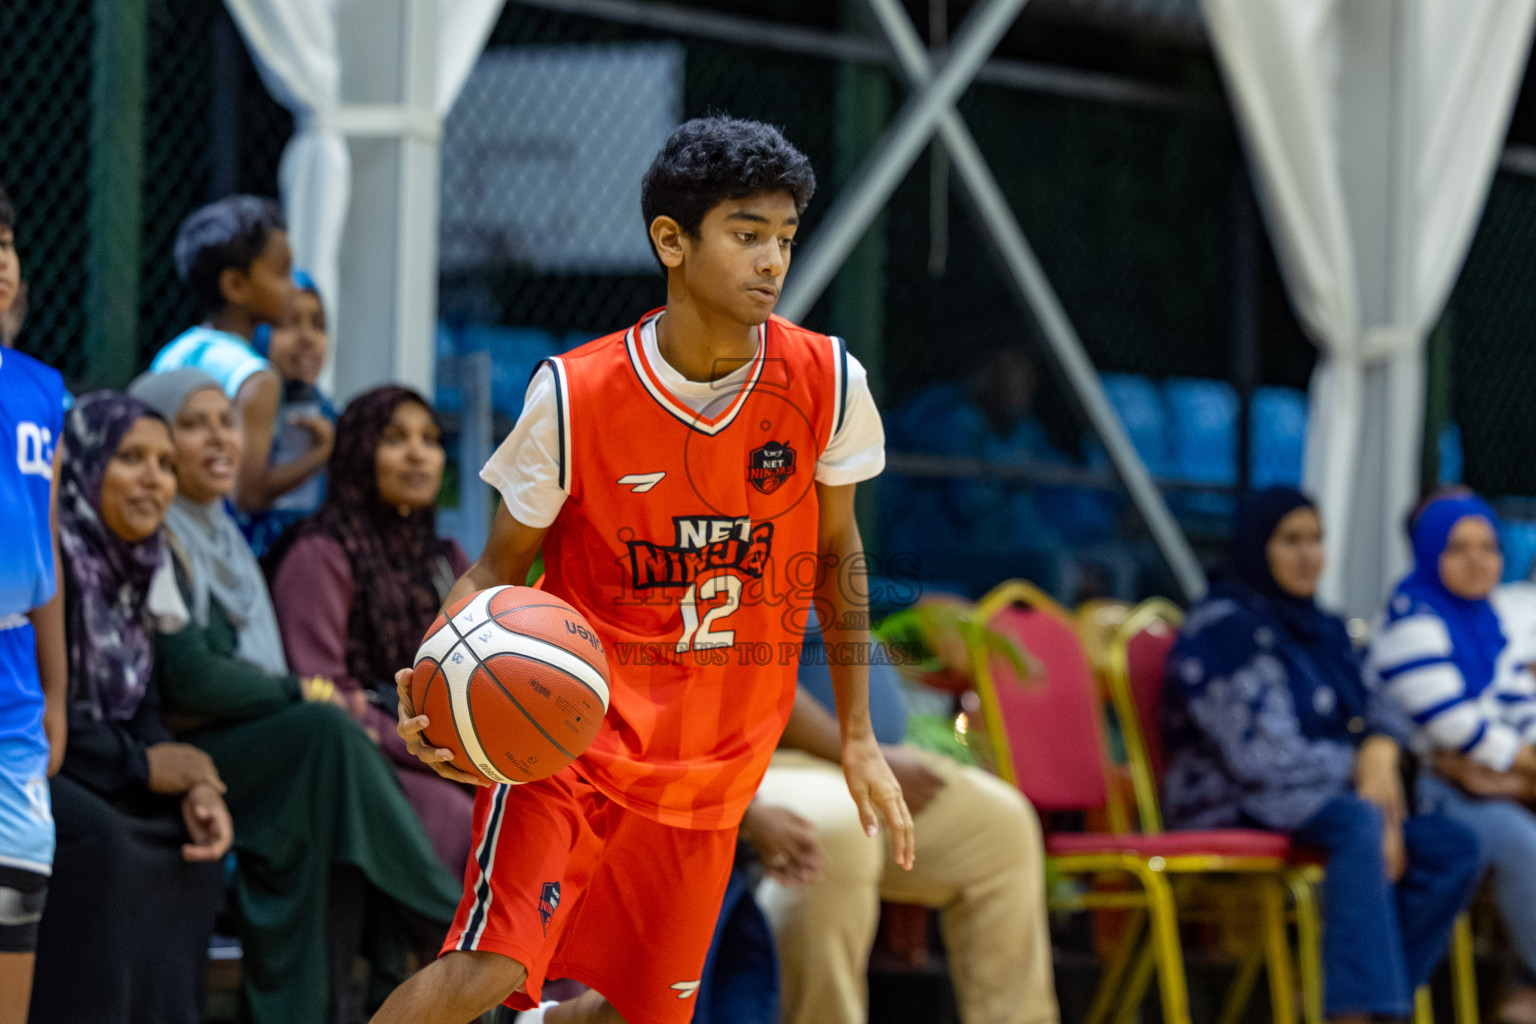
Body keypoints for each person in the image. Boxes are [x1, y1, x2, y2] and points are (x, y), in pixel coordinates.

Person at [369, 115, 913, 1024]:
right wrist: (431, 684)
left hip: (711, 767)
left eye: (784, 238)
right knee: (488, 969)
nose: (773, 261)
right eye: (746, 235)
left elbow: (836, 554)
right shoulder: (575, 396)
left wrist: (858, 733)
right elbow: (498, 569)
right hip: (569, 737)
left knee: (639, 1012)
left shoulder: (826, 381)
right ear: (672, 240)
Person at [126, 369, 460, 1024]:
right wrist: (301, 693)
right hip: (204, 749)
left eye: (227, 420)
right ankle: (451, 926)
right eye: (194, 425)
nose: (221, 437)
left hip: (290, 749)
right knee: (329, 738)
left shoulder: (225, 538)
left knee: (330, 825)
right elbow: (194, 677)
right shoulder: (168, 535)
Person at [1162, 487, 1478, 1022]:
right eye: (1291, 541)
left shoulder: (1323, 628)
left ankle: (1365, 997)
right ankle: (1359, 1012)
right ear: (1257, 547)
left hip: (1323, 803)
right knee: (1360, 824)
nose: (1309, 555)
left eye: (1317, 539)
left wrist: (1379, 748)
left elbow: (1381, 702)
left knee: (1451, 846)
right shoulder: (1225, 630)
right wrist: (1365, 776)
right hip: (1230, 799)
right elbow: (1265, 761)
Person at [29, 392, 232, 1024]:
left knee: (189, 842)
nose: (155, 479)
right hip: (38, 760)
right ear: (84, 467)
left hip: (101, 759)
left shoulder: (136, 564)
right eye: (132, 458)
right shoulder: (47, 557)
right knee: (103, 841)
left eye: (166, 464)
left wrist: (196, 782)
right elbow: (35, 707)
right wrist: (144, 767)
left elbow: (137, 699)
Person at [745, 624, 1059, 1024]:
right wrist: (858, 750)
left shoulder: (830, 565)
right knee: (840, 826)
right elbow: (748, 678)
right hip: (764, 759)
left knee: (1002, 824)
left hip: (863, 757)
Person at [268, 385, 475, 877]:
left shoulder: (446, 559)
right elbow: (326, 692)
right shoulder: (319, 553)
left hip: (453, 755)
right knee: (458, 820)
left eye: (429, 439)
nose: (417, 454)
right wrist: (432, 753)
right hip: (369, 756)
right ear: (360, 450)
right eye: (395, 438)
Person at [1367, 491, 1536, 1024]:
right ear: (1427, 552)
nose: (1477, 560)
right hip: (1421, 791)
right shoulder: (1411, 618)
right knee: (1520, 844)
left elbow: (1520, 707)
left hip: (1487, 781)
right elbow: (1457, 726)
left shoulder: (1486, 623)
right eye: (1457, 548)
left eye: (1488, 547)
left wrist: (1525, 761)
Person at [148, 195, 333, 519]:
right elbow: (248, 493)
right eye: (281, 273)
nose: (292, 288)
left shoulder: (175, 351)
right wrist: (319, 454)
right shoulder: (255, 377)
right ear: (236, 286)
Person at [0, 182, 67, 1024]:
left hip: (15, 677)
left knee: (17, 893)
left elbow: (43, 551)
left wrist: (56, 693)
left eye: (6, 243)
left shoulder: (41, 388)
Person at [242, 270, 339, 556]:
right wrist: (317, 455)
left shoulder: (336, 417)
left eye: (319, 325)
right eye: (288, 323)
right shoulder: (232, 414)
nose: (308, 337)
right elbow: (249, 497)